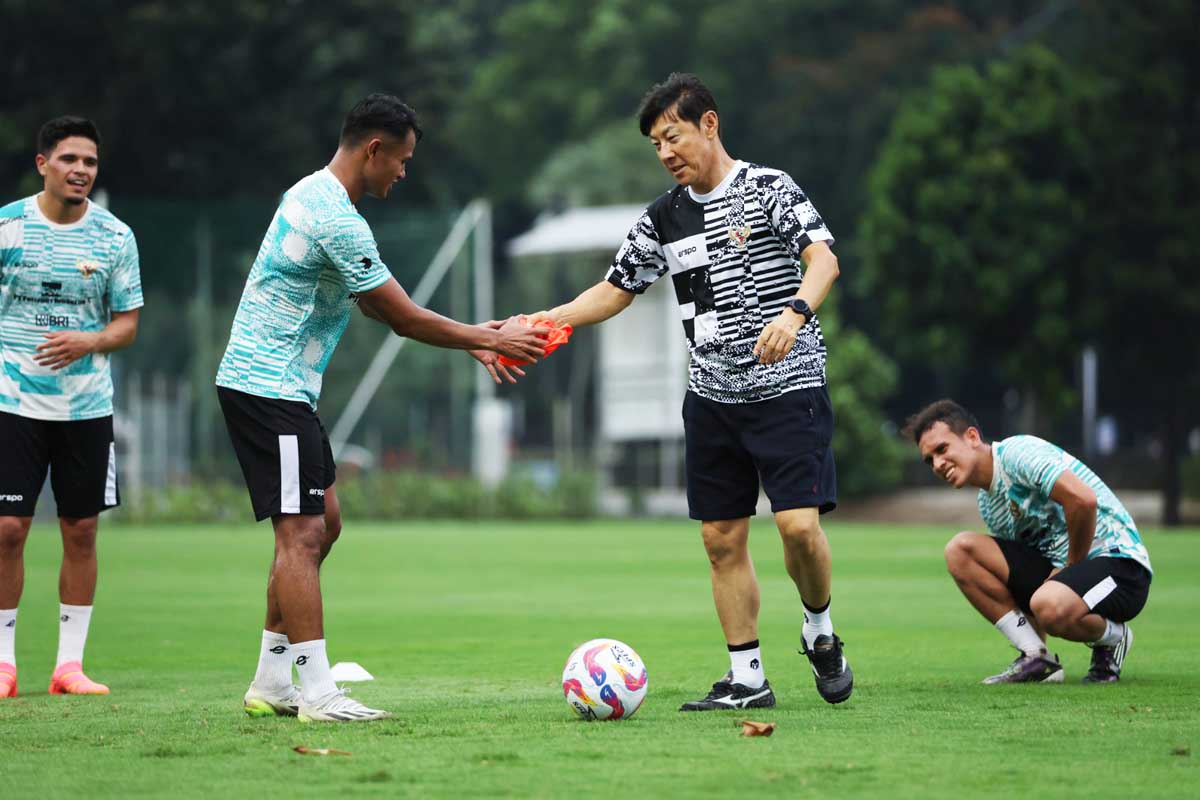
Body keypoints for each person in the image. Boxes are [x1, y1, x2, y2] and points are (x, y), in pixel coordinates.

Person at [524, 73, 852, 709]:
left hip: (788, 391)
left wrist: (792, 316)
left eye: (672, 136)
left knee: (798, 529)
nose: (666, 152)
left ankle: (820, 630)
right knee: (720, 539)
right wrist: (544, 320)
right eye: (655, 144)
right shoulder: (662, 217)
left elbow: (825, 260)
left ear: (710, 124)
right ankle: (748, 679)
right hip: (711, 400)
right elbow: (615, 289)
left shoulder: (769, 189)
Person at [215, 93, 546, 723]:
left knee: (324, 523)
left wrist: (475, 341)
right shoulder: (333, 214)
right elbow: (401, 316)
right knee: (301, 535)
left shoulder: (317, 195)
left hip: (285, 389)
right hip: (266, 387)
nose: (403, 172)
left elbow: (372, 304)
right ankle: (315, 692)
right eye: (402, 160)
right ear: (374, 150)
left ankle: (271, 681)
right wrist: (488, 337)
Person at [0, 116, 143, 699]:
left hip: (86, 408)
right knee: (7, 530)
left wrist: (89, 340)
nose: (80, 170)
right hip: (11, 403)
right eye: (69, 160)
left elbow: (128, 323)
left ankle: (69, 667)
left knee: (80, 530)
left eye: (89, 162)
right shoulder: (7, 228)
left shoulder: (115, 237)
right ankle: (4, 664)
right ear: (43, 164)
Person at [904, 399, 1152, 683]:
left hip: (1121, 567)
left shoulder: (1017, 453)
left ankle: (1114, 637)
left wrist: (1070, 567)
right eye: (929, 459)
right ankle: (1036, 657)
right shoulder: (988, 503)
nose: (937, 464)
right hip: (1064, 579)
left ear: (972, 437)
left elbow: (1083, 500)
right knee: (961, 550)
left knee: (1050, 604)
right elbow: (1023, 583)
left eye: (942, 449)